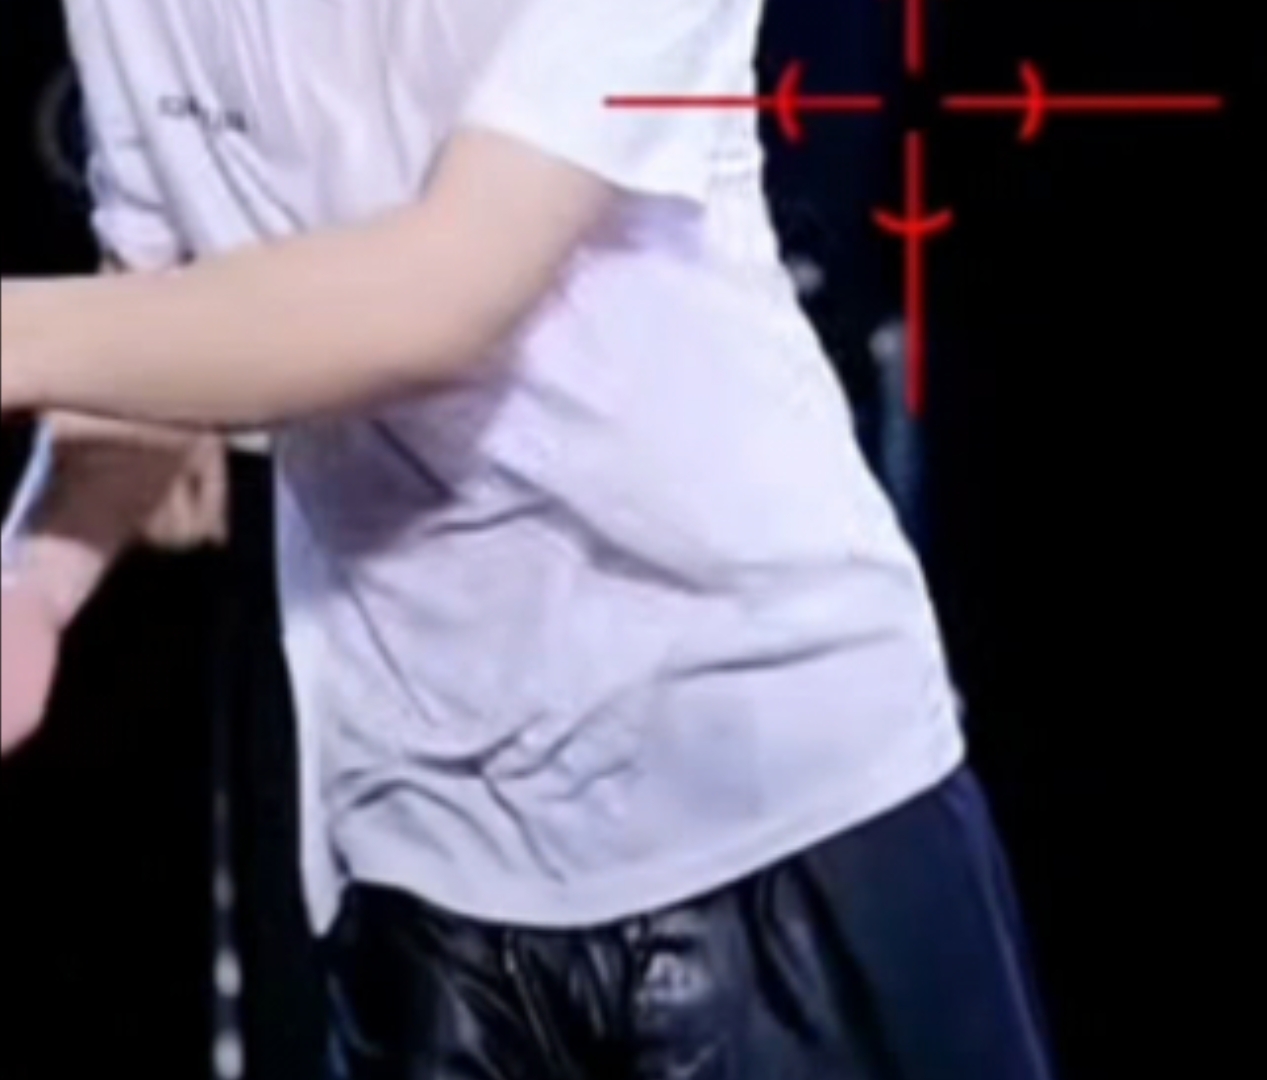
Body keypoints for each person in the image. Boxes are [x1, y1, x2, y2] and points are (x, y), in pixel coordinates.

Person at [0, 2, 1054, 1076]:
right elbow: (160, 315)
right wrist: (35, 583)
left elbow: (443, 295)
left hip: (774, 802)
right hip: (417, 856)